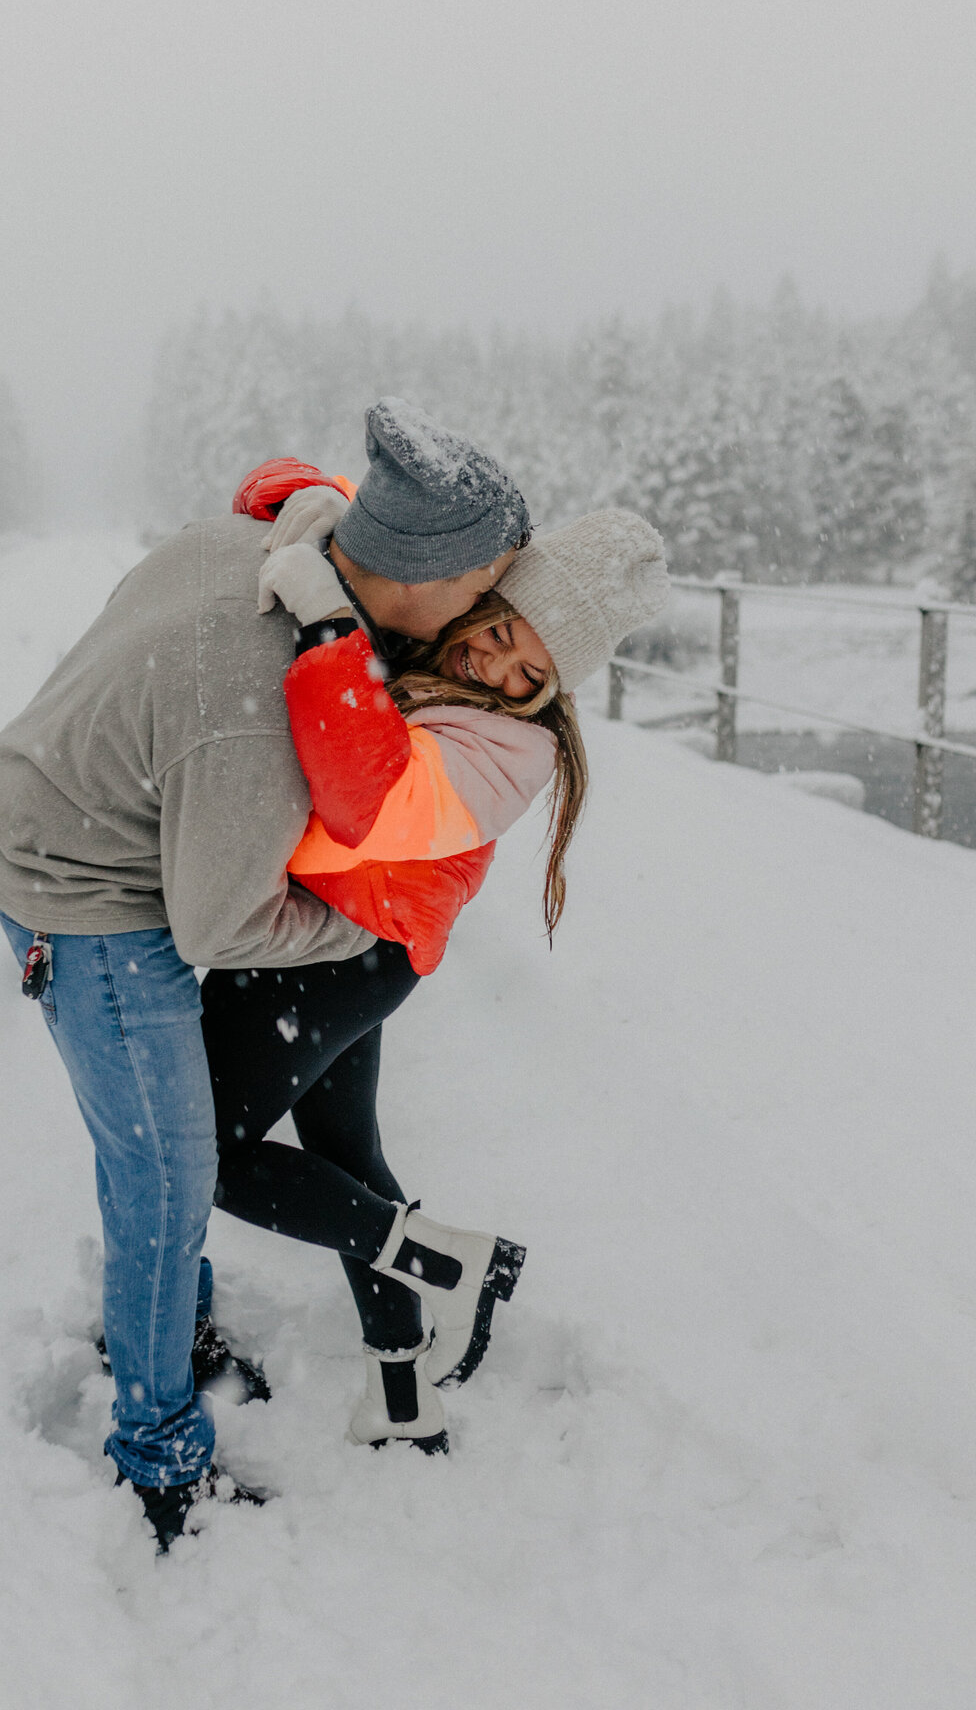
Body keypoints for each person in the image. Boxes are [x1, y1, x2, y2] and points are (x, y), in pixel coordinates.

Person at [0, 398, 532, 1550]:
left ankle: (177, 1331)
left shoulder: (258, 549)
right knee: (171, 1176)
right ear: (424, 573)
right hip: (87, 897)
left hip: (61, 808)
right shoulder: (262, 710)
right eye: (490, 581)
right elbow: (220, 923)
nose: (495, 606)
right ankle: (162, 1468)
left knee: (179, 1153)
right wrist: (360, 937)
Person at [201, 500, 669, 1458]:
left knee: (196, 1151)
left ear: (553, 692)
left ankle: (451, 1264)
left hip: (333, 956)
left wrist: (331, 624)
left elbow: (366, 802)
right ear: (480, 607)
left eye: (530, 673)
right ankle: (405, 1390)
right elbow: (324, 495)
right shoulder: (435, 655)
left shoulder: (515, 747)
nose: (497, 669)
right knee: (345, 1161)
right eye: (499, 634)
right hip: (346, 940)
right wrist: (313, 502)